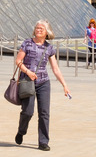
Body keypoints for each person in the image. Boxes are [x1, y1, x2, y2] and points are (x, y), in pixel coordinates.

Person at [15, 20, 71, 152]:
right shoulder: (27, 43)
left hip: (43, 82)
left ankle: (43, 141)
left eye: (41, 28)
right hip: (28, 81)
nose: (38, 30)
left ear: (47, 32)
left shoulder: (49, 48)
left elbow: (55, 68)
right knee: (28, 112)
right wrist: (28, 71)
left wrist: (64, 84)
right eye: (37, 28)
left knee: (44, 113)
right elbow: (18, 61)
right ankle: (21, 131)